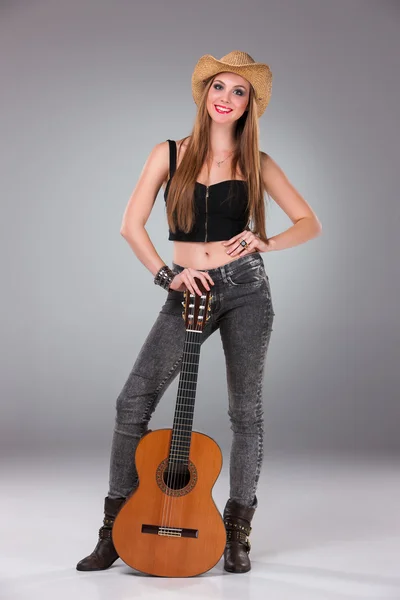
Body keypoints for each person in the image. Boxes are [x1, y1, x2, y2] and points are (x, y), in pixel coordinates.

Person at [76, 50, 322, 575]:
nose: (227, 99)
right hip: (186, 288)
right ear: (204, 94)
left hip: (246, 290)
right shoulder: (170, 152)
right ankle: (114, 529)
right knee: (133, 401)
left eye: (239, 92)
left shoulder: (256, 160)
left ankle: (237, 533)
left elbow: (309, 222)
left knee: (245, 412)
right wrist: (168, 275)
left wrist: (266, 241)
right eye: (219, 88)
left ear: (249, 103)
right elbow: (131, 225)